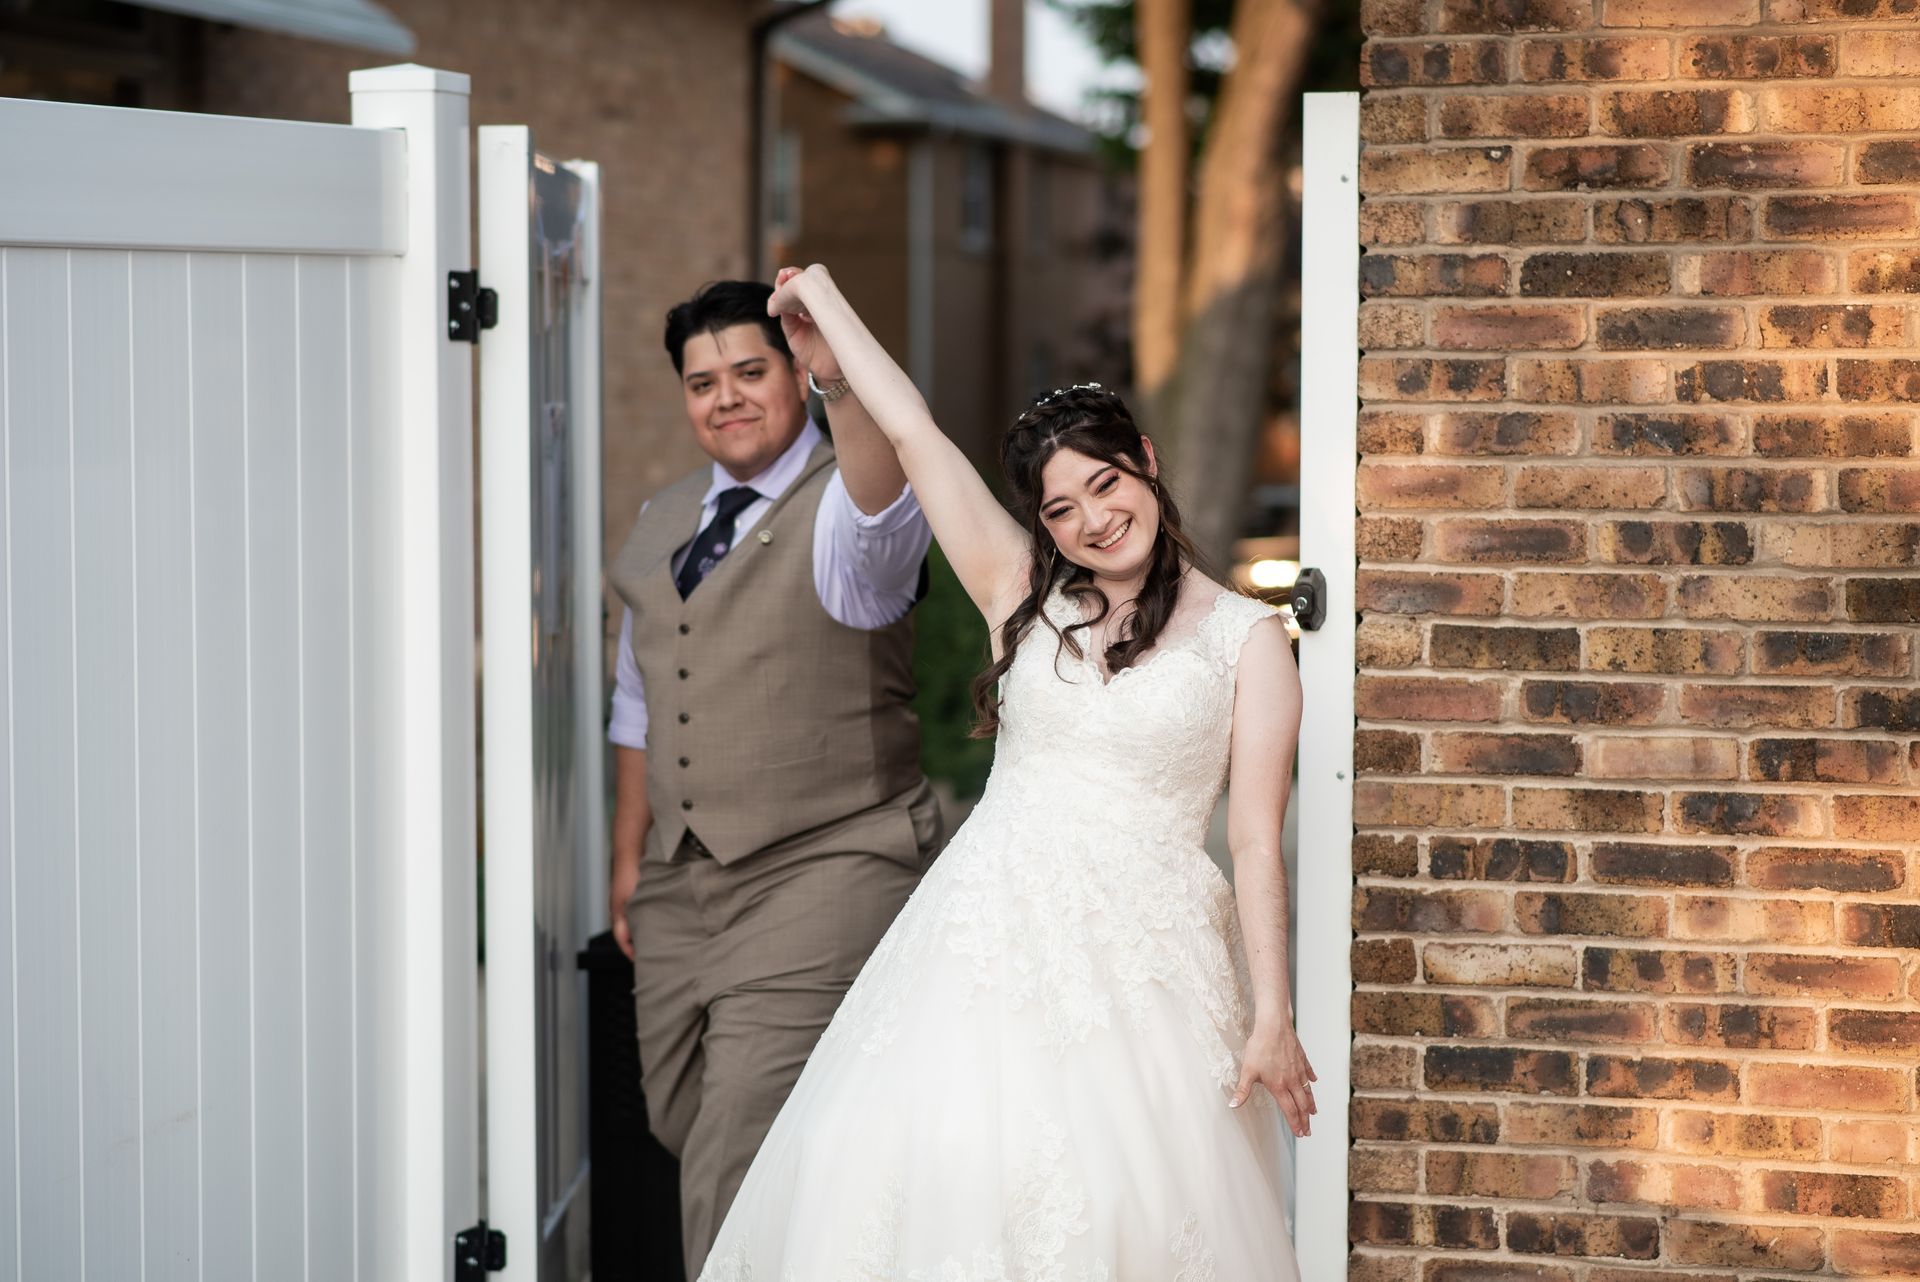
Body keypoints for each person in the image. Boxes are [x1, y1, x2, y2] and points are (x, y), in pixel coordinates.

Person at [694, 263, 1315, 1280]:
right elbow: (916, 436)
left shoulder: (1250, 643)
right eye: (1062, 508)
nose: (1093, 520)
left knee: (1125, 1213)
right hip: (981, 947)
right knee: (942, 1182)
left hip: (1148, 971)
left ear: (1146, 463)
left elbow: (1253, 840)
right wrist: (824, 315)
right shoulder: (1018, 590)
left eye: (1105, 484)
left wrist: (1275, 1015)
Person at [604, 279, 943, 1278]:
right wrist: (631, 859)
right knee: (681, 1112)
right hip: (681, 879)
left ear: (794, 374)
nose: (727, 397)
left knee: (735, 1138)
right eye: (702, 381)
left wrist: (841, 370)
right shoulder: (661, 517)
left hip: (828, 862)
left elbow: (882, 508)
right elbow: (640, 701)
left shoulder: (849, 505)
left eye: (751, 371)